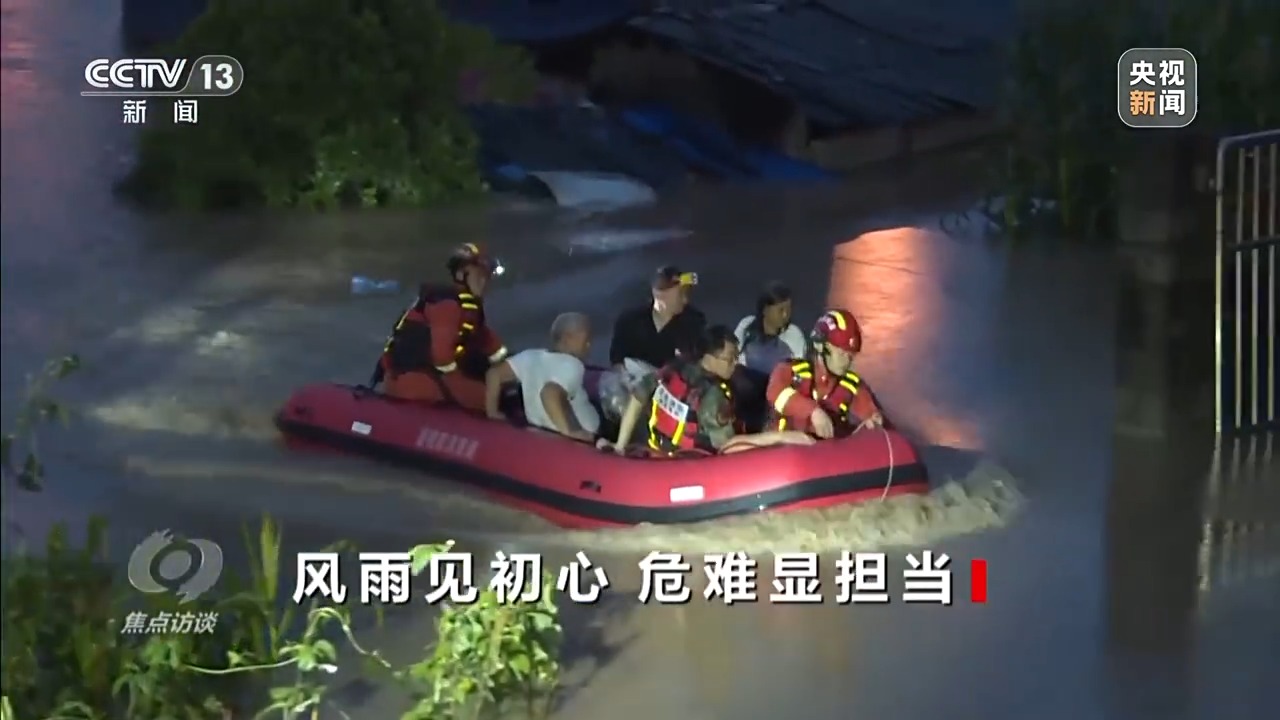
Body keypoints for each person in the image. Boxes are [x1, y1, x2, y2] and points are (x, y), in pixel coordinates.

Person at [601, 325, 815, 456]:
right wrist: (781, 438)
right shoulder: (714, 397)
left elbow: (638, 396)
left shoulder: (674, 368)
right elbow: (728, 448)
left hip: (658, 447)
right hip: (691, 464)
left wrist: (620, 444)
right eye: (730, 358)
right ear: (709, 357)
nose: (735, 363)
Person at [377, 243, 507, 410]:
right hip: (416, 379)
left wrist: (515, 365)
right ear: (461, 274)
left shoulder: (469, 309)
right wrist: (467, 380)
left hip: (431, 376)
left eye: (486, 277)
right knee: (492, 398)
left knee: (499, 389)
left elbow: (488, 342)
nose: (484, 282)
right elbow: (442, 358)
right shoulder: (447, 305)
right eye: (479, 275)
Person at [766, 309, 885, 440]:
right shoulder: (790, 371)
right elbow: (774, 393)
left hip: (827, 451)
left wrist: (875, 420)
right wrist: (812, 411)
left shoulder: (852, 386)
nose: (847, 361)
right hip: (782, 448)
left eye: (851, 355)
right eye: (841, 353)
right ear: (820, 346)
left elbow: (873, 415)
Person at [484, 312, 599, 442]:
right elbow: (549, 393)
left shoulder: (530, 357)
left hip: (538, 434)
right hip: (584, 437)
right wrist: (570, 433)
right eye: (586, 339)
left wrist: (492, 413)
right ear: (567, 338)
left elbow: (494, 374)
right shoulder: (572, 365)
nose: (589, 345)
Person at [608, 265, 707, 369]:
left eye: (686, 293)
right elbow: (617, 360)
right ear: (659, 294)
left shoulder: (694, 322)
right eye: (680, 294)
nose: (685, 300)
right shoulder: (629, 322)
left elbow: (698, 360)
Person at [733, 282, 806, 375]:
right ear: (765, 309)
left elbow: (799, 371)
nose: (785, 315)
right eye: (781, 310)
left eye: (788, 309)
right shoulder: (746, 325)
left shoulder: (794, 334)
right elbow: (733, 357)